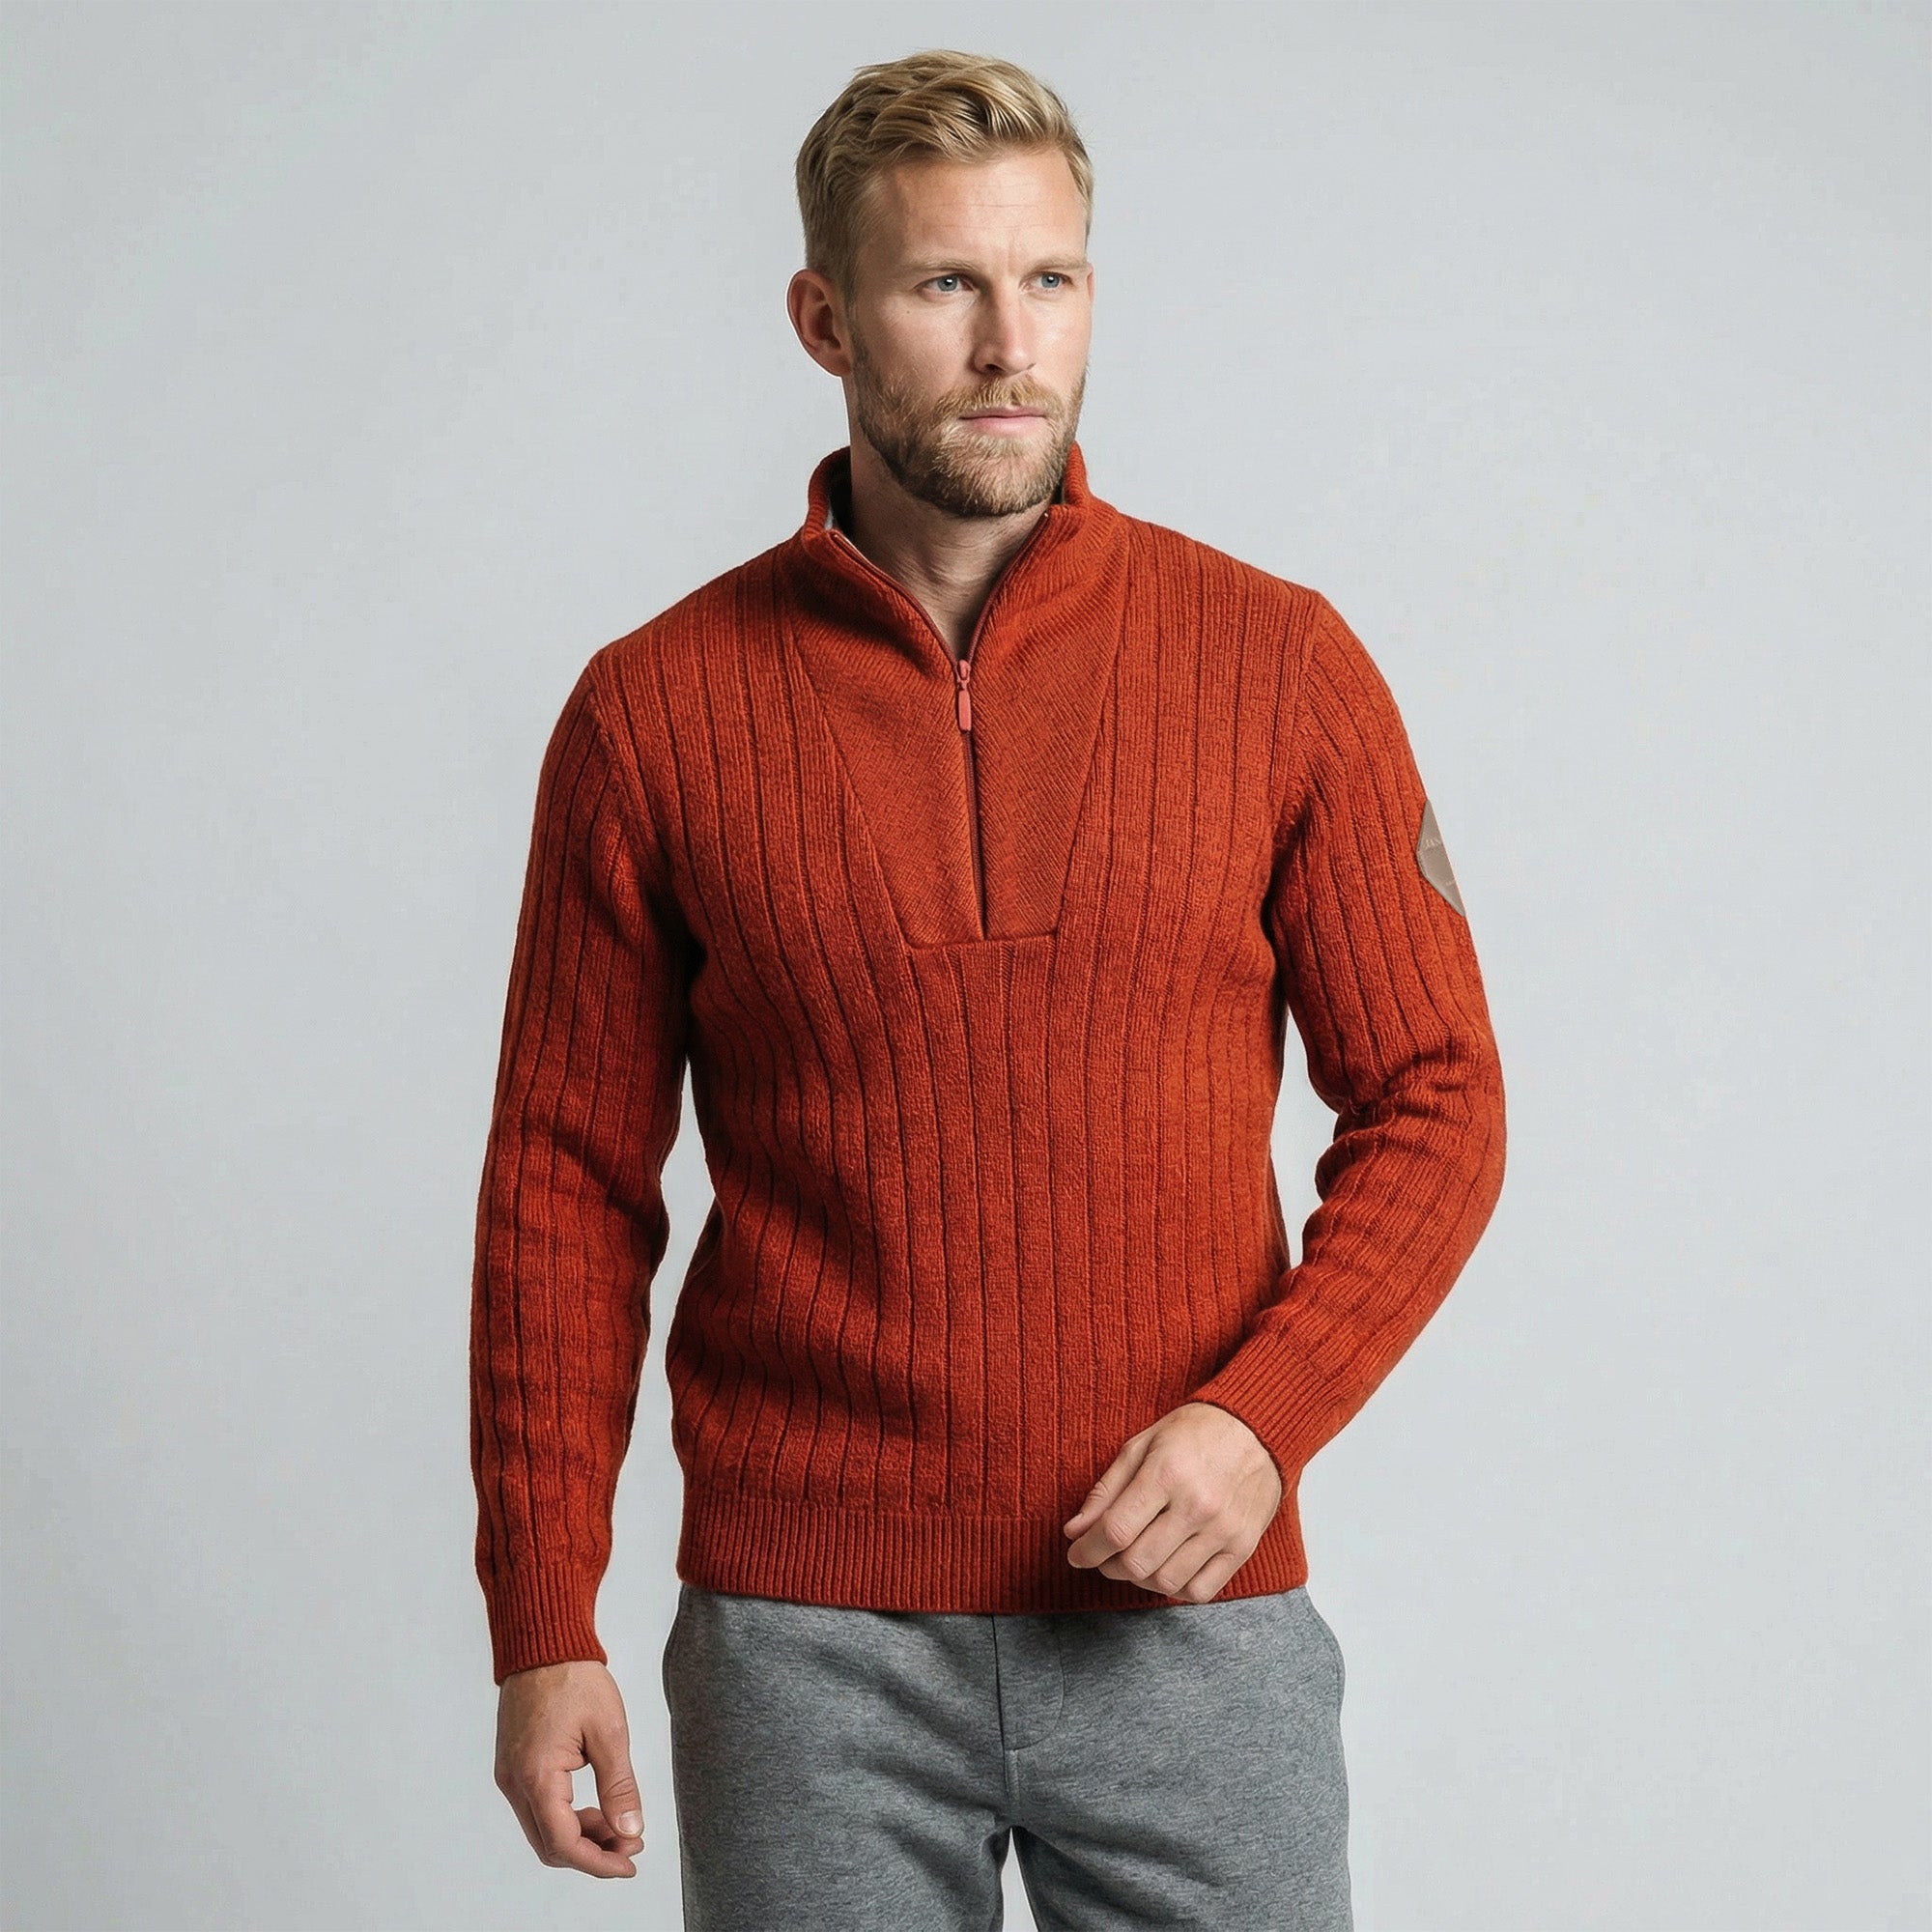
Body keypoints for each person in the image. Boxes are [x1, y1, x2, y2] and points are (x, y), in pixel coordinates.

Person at [469, 47, 1506, 1931]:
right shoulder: (654, 711)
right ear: (824, 319)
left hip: (1190, 1608)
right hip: (805, 1649)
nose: (1010, 344)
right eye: (945, 284)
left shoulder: (1278, 666)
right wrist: (544, 1621)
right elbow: (563, 1185)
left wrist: (1262, 1417)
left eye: (1051, 279)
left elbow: (1436, 1095)